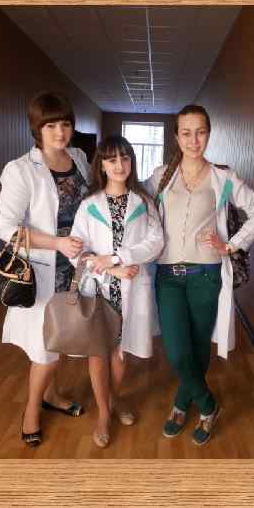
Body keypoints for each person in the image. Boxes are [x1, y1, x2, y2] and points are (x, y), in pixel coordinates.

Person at [146, 104, 254, 445]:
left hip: (206, 274)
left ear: (209, 134)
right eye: (186, 133)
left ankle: (180, 403)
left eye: (200, 132)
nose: (193, 140)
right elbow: (135, 207)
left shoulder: (223, 178)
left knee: (199, 347)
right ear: (176, 137)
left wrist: (231, 245)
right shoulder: (160, 177)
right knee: (176, 350)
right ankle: (208, 404)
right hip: (168, 276)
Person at [0, 91, 90, 447]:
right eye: (50, 126)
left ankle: (52, 394)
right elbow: (4, 227)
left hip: (78, 269)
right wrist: (57, 243)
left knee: (60, 340)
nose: (60, 132)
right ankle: (32, 411)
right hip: (46, 268)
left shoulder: (79, 158)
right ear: (37, 128)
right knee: (44, 349)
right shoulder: (20, 170)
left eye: (65, 124)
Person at [69, 135, 164, 448]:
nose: (119, 165)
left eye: (125, 158)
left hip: (132, 289)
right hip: (98, 290)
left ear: (131, 162)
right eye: (112, 159)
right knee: (99, 351)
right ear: (102, 165)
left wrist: (118, 259)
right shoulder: (89, 205)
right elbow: (76, 253)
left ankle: (112, 399)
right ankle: (103, 414)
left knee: (121, 352)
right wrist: (112, 270)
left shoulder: (144, 202)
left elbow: (155, 242)